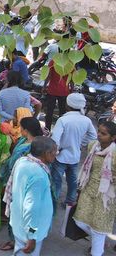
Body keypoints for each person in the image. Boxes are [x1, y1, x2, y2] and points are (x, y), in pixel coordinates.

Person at [0, 117, 44, 252]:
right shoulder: (24, 140)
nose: (19, 130)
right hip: (15, 179)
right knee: (14, 210)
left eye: (21, 128)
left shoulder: (35, 146)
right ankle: (16, 238)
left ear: (26, 130)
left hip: (25, 182)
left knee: (25, 212)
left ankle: (23, 240)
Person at [4, 137, 56, 256]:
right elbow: (31, 208)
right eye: (54, 151)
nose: (56, 154)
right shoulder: (39, 175)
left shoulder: (22, 161)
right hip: (29, 231)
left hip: (19, 223)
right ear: (46, 153)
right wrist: (32, 236)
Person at [72, 121, 116, 256]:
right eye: (99, 131)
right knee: (79, 221)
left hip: (107, 195)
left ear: (113, 137)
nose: (99, 135)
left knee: (98, 228)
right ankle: (100, 241)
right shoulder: (93, 146)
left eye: (104, 134)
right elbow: (87, 168)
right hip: (89, 188)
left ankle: (96, 250)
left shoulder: (114, 153)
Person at [50, 92, 97, 206]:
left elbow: (55, 139)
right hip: (75, 156)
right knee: (72, 181)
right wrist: (80, 143)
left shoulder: (63, 120)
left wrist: (57, 150)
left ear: (67, 105)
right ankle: (70, 201)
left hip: (60, 157)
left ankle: (54, 201)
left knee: (56, 181)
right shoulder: (86, 120)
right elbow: (93, 136)